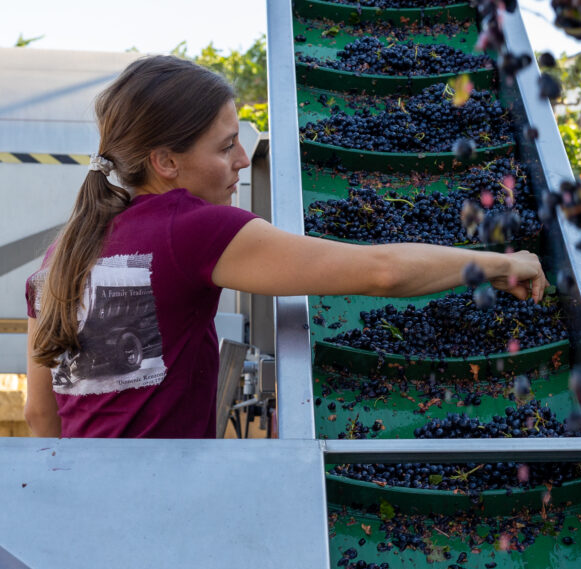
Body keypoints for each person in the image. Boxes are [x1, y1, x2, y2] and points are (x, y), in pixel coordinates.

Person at [22, 55, 548, 439]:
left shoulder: (59, 257)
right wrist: (502, 262)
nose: (242, 161)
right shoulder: (190, 229)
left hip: (84, 497)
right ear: (165, 162)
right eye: (226, 147)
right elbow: (380, 272)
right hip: (165, 504)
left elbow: (39, 417)